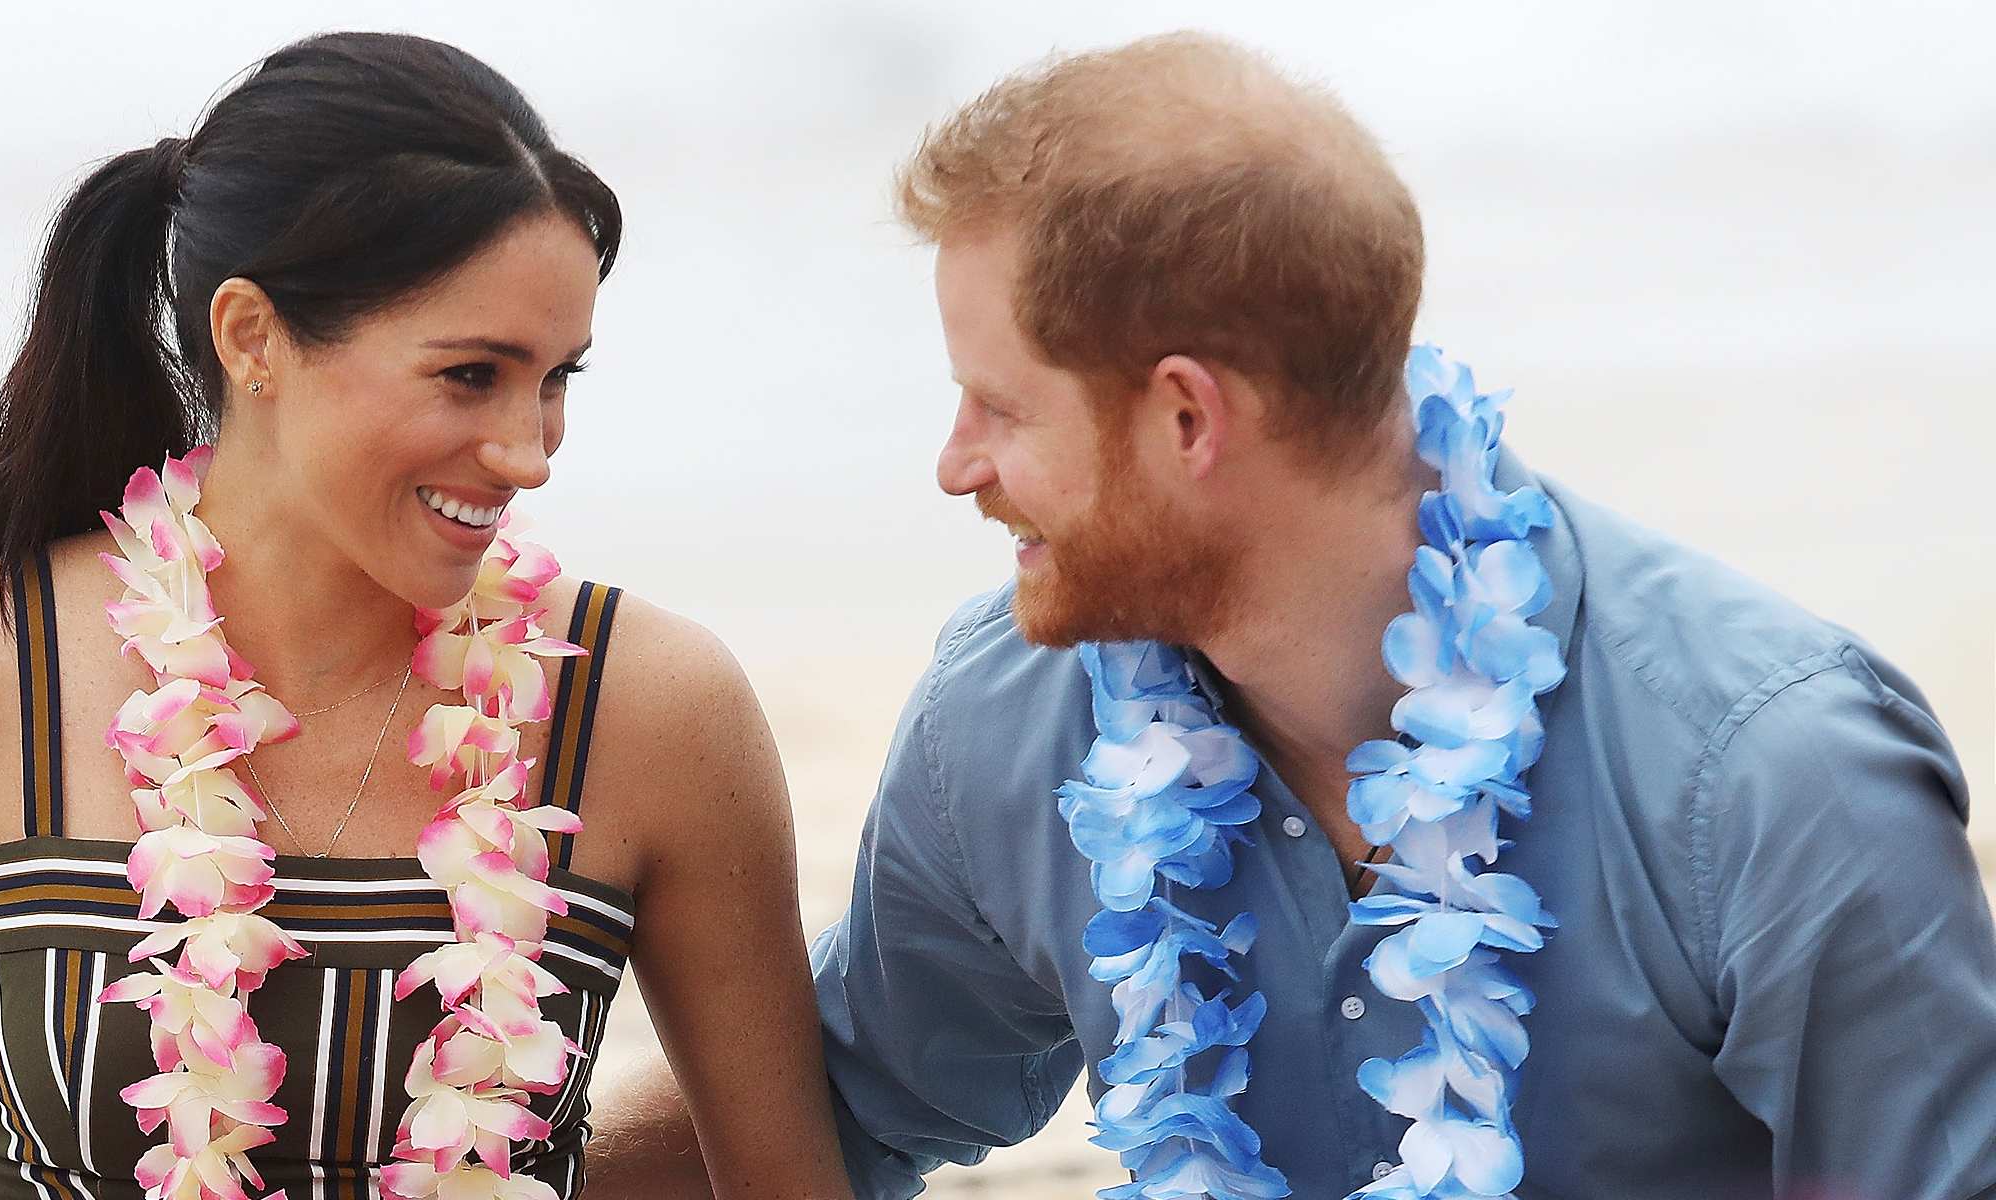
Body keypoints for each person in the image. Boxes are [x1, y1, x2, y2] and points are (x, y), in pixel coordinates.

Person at [585, 31, 1996, 1200]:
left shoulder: (1771, 776)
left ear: (1188, 415)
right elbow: (833, 1104)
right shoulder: (1009, 711)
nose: (953, 464)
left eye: (998, 409)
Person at [0, 32, 852, 1200]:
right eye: (471, 374)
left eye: (558, 376)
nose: (528, 454)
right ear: (251, 336)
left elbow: (784, 1177)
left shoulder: (650, 708)